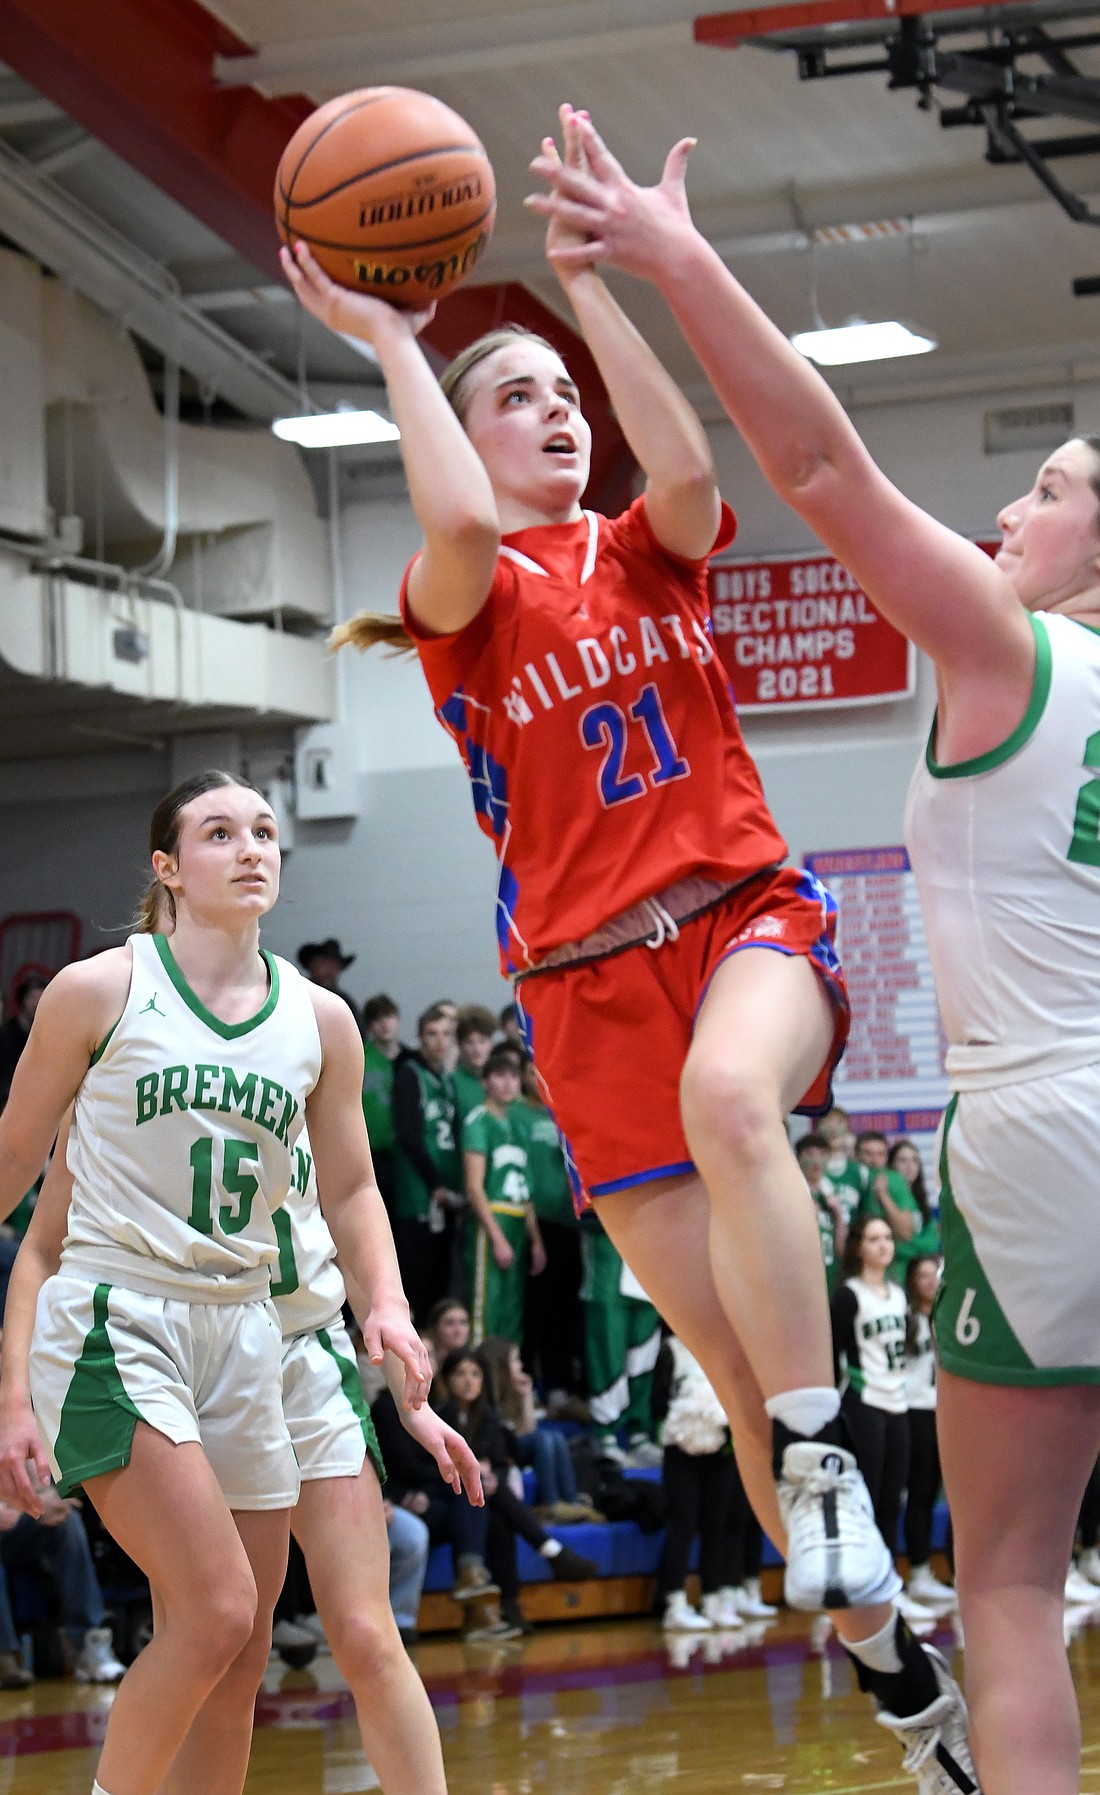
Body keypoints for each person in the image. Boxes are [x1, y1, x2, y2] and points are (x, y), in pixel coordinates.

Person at [281, 122, 932, 1779]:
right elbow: (438, 501)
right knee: (713, 1337)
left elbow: (700, 474)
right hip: (578, 994)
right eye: (524, 397)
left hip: (738, 920)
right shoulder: (465, 601)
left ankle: (821, 1449)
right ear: (467, 433)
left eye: (568, 396)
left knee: (738, 1102)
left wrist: (594, 282)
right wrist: (398, 342)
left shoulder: (648, 545)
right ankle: (891, 1661)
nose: (558, 411)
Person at [528, 106, 1100, 1790]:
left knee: (1003, 1584)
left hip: (1046, 1126)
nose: (1010, 503)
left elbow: (827, 469)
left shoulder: (1010, 651)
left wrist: (674, 257)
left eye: (1052, 487)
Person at [0, 769, 430, 1795]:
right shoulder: (99, 989)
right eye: (219, 832)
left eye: (266, 832)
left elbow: (356, 1185)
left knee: (235, 1654)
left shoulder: (319, 1020)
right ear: (168, 869)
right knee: (217, 1608)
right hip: (117, 1313)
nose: (251, 849)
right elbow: (14, 1166)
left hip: (248, 1328)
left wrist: (387, 1302)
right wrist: (9, 1387)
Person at [435, 1348, 597, 1635]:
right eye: (460, 1374)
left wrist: (492, 1476)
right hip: (447, 1499)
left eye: (475, 1374)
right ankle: (550, 1553)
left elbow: (499, 1462)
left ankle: (508, 1607)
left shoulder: (488, 1417)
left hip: (482, 1498)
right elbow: (427, 1464)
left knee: (499, 1518)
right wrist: (472, 1470)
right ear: (446, 1379)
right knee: (485, 1496)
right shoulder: (437, 1416)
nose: (469, 1381)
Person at [831, 1218, 917, 1614]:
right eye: (873, 1239)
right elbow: (831, 1350)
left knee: (891, 1500)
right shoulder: (849, 1296)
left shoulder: (899, 1296)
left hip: (898, 1404)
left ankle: (888, 1585)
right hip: (863, 1403)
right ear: (858, 1248)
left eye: (887, 1238)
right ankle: (858, 1582)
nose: (883, 1245)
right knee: (865, 1497)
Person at [652, 1332, 742, 1633]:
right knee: (683, 1525)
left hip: (720, 1452)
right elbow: (657, 1403)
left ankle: (712, 1599)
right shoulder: (672, 1350)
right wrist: (688, 1429)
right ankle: (674, 1603)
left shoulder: (727, 1347)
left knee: (715, 1525)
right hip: (681, 1452)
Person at [462, 1046, 546, 1345]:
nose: (509, 1083)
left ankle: (507, 1380)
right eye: (500, 1076)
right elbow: (474, 1187)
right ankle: (480, 1380)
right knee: (487, 1305)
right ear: (485, 1082)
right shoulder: (478, 1121)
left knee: (513, 1309)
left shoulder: (518, 1125)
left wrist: (536, 1240)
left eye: (513, 1076)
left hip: (519, 1221)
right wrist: (497, 1237)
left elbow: (526, 1190)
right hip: (493, 1220)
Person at [517, 1056, 586, 1405]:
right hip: (531, 1225)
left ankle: (559, 1383)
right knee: (534, 1307)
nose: (537, 1075)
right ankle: (528, 1381)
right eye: (530, 1070)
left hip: (570, 1224)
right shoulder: (516, 1114)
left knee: (565, 1307)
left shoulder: (568, 1112)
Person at [390, 1004, 463, 1324]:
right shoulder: (409, 1074)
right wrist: (435, 1184)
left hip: (444, 1194)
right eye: (431, 1034)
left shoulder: (446, 1079)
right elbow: (408, 1136)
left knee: (440, 1284)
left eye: (446, 1034)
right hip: (418, 1194)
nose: (439, 1041)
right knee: (416, 1284)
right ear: (419, 1037)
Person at [476, 1334, 591, 1520]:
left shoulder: (512, 1393)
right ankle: (550, 1503)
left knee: (554, 1435)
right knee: (544, 1439)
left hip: (511, 1447)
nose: (520, 1366)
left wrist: (526, 1397)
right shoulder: (483, 1394)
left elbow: (526, 1432)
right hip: (497, 1453)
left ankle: (571, 1501)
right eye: (515, 1360)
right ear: (501, 1365)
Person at [903, 1256, 956, 1612]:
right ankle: (918, 1571)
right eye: (922, 1275)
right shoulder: (905, 1318)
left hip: (945, 1412)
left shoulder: (950, 1319)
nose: (929, 1281)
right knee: (920, 1492)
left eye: (933, 1275)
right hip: (913, 1410)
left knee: (941, 1489)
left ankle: (937, 1571)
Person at [361, 993, 404, 1208]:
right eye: (376, 1019)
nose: (384, 1024)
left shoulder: (410, 1059)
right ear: (369, 1026)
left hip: (404, 1154)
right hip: (371, 1153)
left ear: (397, 1019)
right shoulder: (360, 1058)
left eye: (388, 1016)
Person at [796, 1130, 847, 1296]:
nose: (816, 1160)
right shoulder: (792, 1193)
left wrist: (839, 1216)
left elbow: (842, 1249)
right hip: (804, 1279)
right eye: (810, 1154)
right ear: (798, 1158)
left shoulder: (831, 1194)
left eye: (822, 1154)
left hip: (831, 1276)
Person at [0, 973, 48, 1103]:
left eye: (41, 997)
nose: (37, 1003)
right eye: (32, 997)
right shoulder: (6, 1034)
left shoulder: (46, 1035)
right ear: (22, 1000)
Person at [298, 938, 361, 1027]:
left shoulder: (346, 1004)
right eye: (323, 964)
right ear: (311, 966)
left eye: (334, 966)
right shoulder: (297, 997)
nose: (329, 971)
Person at [453, 1006, 498, 1131]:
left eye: (482, 1041)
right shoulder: (451, 1082)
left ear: (491, 1044)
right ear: (460, 1045)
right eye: (469, 1042)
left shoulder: (503, 1079)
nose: (476, 1049)